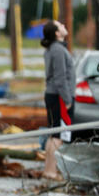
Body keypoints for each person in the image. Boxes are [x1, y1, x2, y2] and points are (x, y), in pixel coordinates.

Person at [41, 20, 74, 180]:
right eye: (61, 25)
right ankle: (51, 171)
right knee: (58, 136)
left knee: (53, 133)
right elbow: (60, 78)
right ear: (57, 33)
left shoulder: (53, 49)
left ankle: (48, 170)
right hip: (58, 96)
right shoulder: (58, 50)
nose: (64, 26)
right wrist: (67, 99)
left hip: (52, 94)